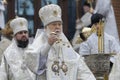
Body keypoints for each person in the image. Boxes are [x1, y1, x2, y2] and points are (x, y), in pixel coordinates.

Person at [25, 4, 96, 80]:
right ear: (46, 27)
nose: (57, 27)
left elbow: (78, 64)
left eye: (59, 24)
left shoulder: (65, 44)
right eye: (54, 24)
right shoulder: (39, 42)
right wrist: (48, 45)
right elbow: (35, 65)